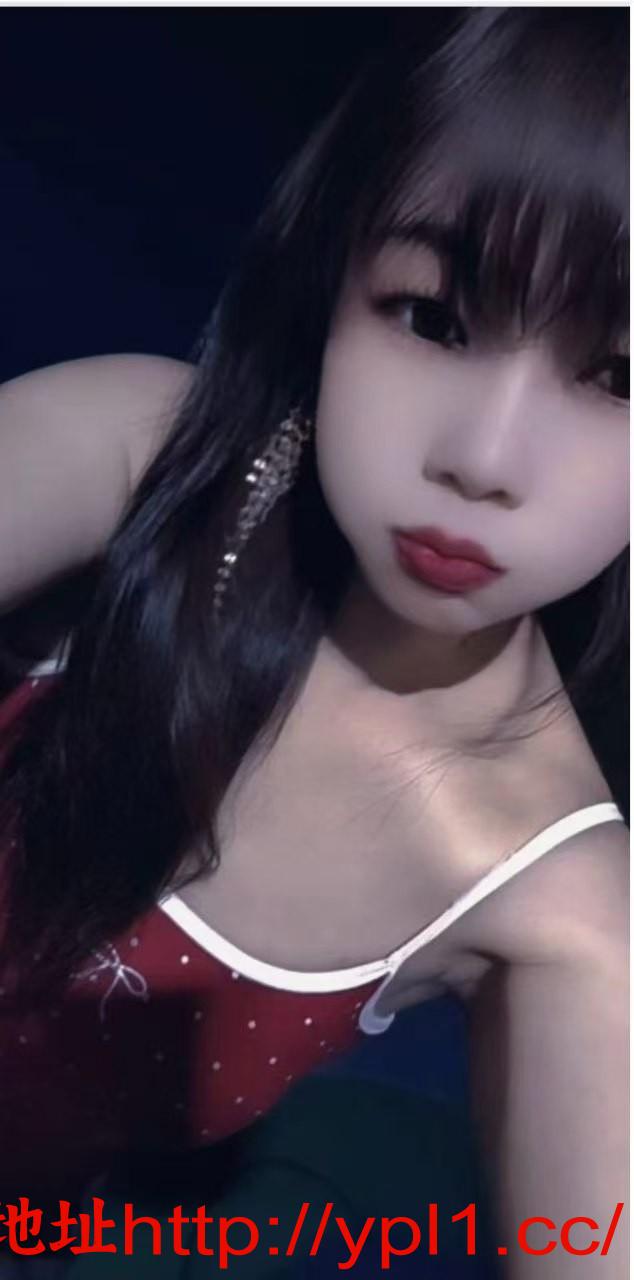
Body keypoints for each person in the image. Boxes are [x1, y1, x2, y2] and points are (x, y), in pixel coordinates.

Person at [0, 8, 628, 1277]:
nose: (482, 459)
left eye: (618, 377)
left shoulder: (559, 902)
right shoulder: (139, 457)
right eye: (431, 317)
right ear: (333, 275)